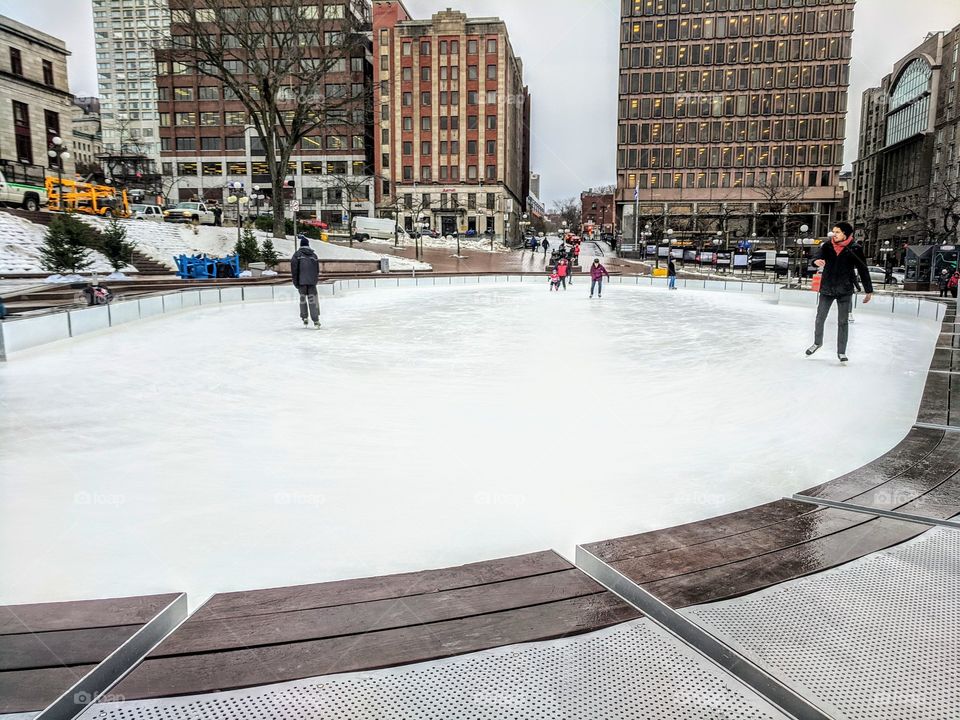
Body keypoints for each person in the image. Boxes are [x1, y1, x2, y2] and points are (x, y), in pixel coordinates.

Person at [806, 222, 873, 363]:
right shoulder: (827, 246)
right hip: (827, 287)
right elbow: (815, 258)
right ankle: (817, 343)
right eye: (833, 231)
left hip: (845, 289)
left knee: (843, 322)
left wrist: (868, 290)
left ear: (845, 234)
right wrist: (815, 262)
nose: (833, 234)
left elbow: (863, 269)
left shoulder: (855, 248)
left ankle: (841, 352)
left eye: (837, 232)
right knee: (820, 317)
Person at [290, 236, 321, 328]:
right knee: (313, 301)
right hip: (312, 282)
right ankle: (316, 320)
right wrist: (315, 280)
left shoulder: (297, 255)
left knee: (303, 299)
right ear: (308, 245)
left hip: (301, 282)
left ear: (301, 245)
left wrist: (296, 282)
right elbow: (317, 270)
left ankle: (304, 317)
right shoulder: (314, 256)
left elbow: (294, 270)